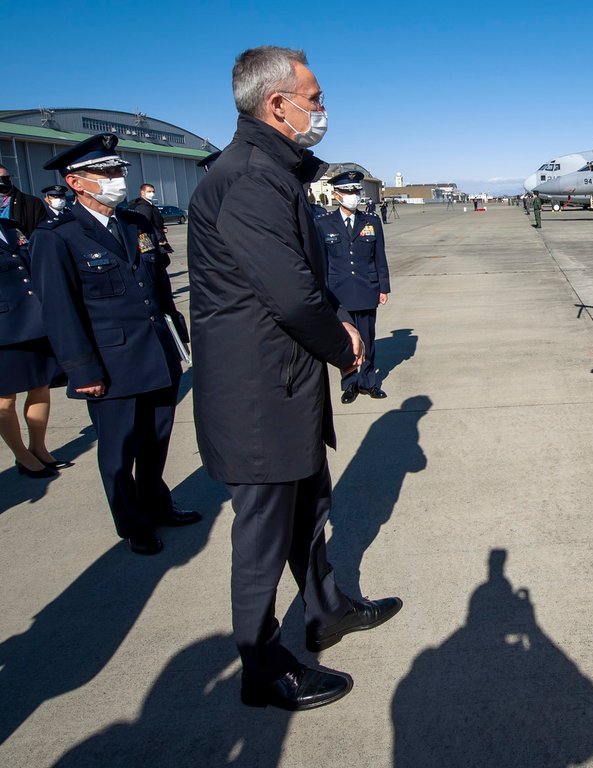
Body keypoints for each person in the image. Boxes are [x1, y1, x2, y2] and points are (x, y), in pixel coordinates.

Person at [188, 45, 401, 712]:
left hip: (283, 385)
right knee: (263, 535)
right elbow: (290, 293)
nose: (322, 110)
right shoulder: (251, 178)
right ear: (277, 104)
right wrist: (345, 345)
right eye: (314, 99)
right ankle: (262, 665)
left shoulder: (274, 170)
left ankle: (326, 610)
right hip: (258, 396)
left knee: (308, 512)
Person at [31, 133, 200, 555]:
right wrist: (82, 370)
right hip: (110, 364)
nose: (116, 179)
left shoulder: (135, 223)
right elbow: (59, 311)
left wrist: (177, 338)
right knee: (119, 451)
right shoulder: (58, 236)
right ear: (76, 182)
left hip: (157, 353)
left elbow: (158, 288)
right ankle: (132, 523)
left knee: (156, 440)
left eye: (117, 170)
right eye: (105, 172)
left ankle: (157, 504)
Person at [315, 170, 390, 403]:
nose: (353, 196)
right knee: (345, 340)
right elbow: (322, 262)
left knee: (367, 338)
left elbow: (380, 257)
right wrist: (323, 292)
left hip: (367, 289)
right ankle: (349, 384)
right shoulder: (323, 223)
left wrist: (383, 288)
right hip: (338, 293)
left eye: (356, 191)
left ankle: (369, 382)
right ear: (336, 195)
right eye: (347, 192)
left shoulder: (371, 222)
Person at [0, 216, 64, 478]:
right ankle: (22, 456)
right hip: (4, 329)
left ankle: (38, 447)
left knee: (40, 385)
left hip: (33, 321)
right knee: (5, 399)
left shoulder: (10, 227)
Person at [0, 165, 47, 236]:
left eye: (5, 178)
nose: (2, 181)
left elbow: (43, 232)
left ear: (11, 178)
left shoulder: (32, 203)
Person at [129, 183, 173, 257]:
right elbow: (145, 224)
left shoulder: (149, 205)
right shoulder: (143, 207)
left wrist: (161, 228)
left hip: (153, 237)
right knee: (152, 259)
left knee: (162, 260)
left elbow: (155, 221)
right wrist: (159, 238)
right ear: (142, 193)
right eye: (149, 191)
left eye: (153, 191)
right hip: (149, 239)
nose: (152, 194)